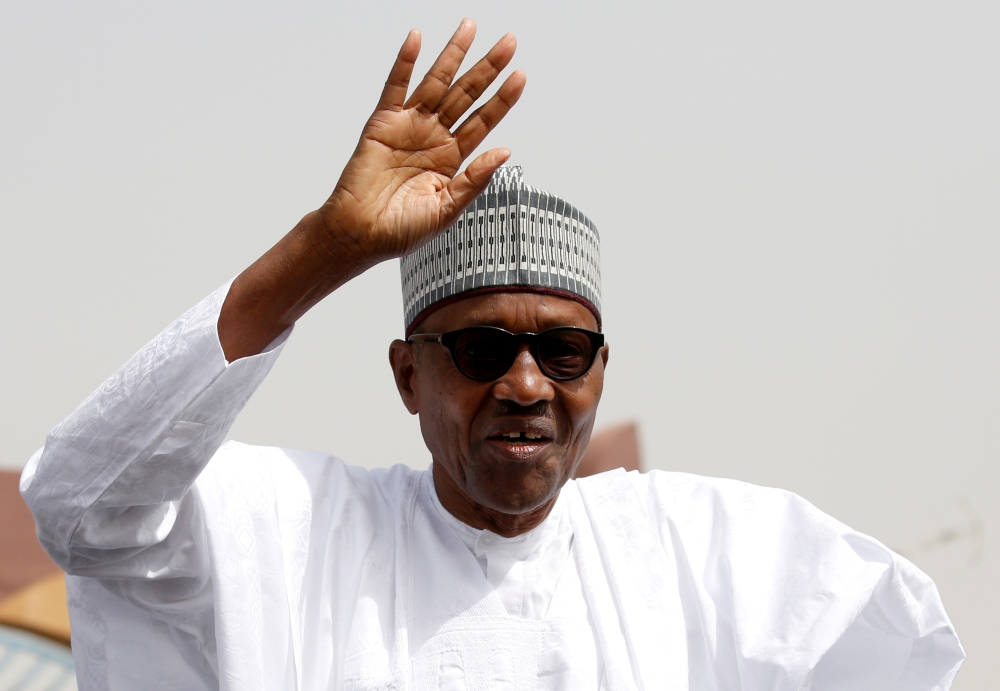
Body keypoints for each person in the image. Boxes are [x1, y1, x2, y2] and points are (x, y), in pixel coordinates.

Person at [21, 19, 963, 691]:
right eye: (480, 348)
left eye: (562, 349)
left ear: (600, 369)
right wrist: (325, 251)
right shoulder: (298, 534)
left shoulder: (697, 552)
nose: (525, 384)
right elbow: (82, 503)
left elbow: (902, 644)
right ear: (406, 373)